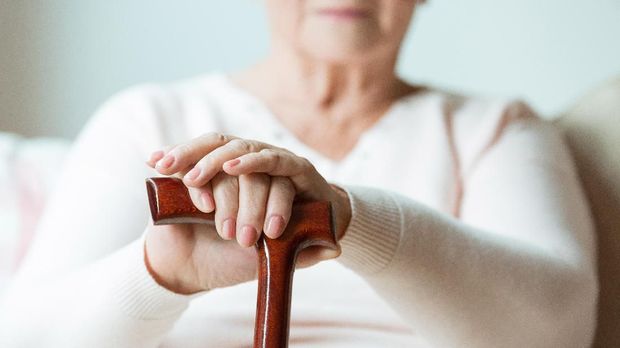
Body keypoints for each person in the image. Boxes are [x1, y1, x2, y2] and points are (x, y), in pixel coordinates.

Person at [0, 1, 598, 347]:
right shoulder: (149, 118)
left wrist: (346, 219)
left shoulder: (494, 128)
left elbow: (560, 329)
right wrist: (162, 272)